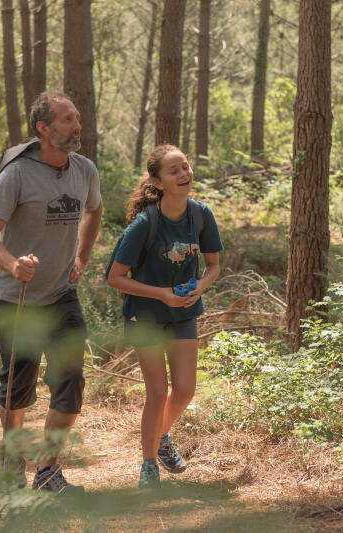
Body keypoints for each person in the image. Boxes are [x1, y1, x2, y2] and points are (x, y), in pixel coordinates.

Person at [0, 91, 102, 493]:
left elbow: (95, 210)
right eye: (66, 120)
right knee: (17, 386)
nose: (76, 125)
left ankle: (48, 471)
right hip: (20, 300)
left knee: (71, 380)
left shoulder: (84, 170)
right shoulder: (16, 174)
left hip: (63, 294)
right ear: (43, 129)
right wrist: (13, 264)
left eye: (77, 117)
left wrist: (82, 254)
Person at [106, 144, 222, 488]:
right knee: (157, 392)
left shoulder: (201, 215)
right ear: (158, 182)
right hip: (147, 316)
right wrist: (163, 295)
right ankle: (148, 466)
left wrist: (199, 286)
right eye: (174, 171)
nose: (184, 174)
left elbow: (214, 266)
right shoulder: (145, 223)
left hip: (184, 312)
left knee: (184, 390)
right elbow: (115, 278)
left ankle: (161, 438)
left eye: (185, 167)